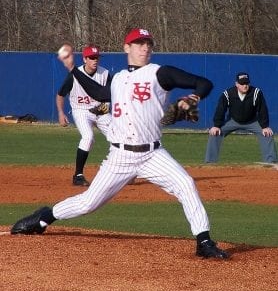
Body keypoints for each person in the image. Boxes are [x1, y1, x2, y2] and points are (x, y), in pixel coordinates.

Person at [11, 28, 228, 259]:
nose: (145, 47)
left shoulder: (160, 73)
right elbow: (98, 92)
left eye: (148, 43)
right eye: (139, 43)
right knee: (88, 203)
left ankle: (203, 241)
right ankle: (44, 216)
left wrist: (192, 98)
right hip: (120, 156)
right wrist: (72, 68)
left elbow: (203, 83)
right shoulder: (119, 79)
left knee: (185, 184)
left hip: (153, 154)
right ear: (127, 48)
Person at [56, 44, 112, 186]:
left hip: (100, 111)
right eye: (92, 58)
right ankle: (78, 175)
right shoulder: (74, 75)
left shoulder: (104, 74)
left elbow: (111, 95)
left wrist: (107, 106)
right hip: (81, 110)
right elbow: (60, 95)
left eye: (97, 57)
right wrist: (61, 112)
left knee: (118, 137)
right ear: (85, 59)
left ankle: (123, 171)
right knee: (88, 137)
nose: (95, 60)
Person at [205, 72, 277, 163]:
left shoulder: (256, 92)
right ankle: (210, 163)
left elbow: (262, 109)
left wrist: (265, 126)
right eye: (242, 83)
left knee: (267, 134)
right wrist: (216, 125)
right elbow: (220, 109)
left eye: (246, 83)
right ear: (236, 84)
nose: (245, 86)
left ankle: (270, 163)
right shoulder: (228, 94)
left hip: (252, 121)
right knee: (214, 133)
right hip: (232, 121)